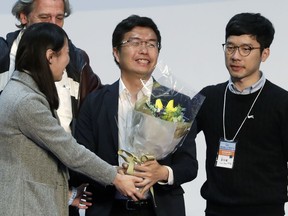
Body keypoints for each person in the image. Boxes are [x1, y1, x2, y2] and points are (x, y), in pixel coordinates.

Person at [0, 22, 144, 216]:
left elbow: (31, 165)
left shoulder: (20, 91)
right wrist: (115, 177)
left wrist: (68, 194)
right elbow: (70, 151)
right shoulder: (27, 101)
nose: (69, 61)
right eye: (67, 53)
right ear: (50, 56)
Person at [73, 15, 198, 216]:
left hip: (160, 209)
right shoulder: (95, 103)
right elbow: (79, 162)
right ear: (116, 52)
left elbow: (189, 165)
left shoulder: (176, 103)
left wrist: (162, 173)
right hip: (110, 208)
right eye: (135, 42)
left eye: (151, 44)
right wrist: (113, 174)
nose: (144, 50)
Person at [196, 12, 288, 216]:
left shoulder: (282, 102)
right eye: (230, 47)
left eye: (246, 49)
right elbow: (171, 136)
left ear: (265, 53)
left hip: (266, 211)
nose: (235, 56)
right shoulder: (208, 96)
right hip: (215, 210)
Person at [0, 0, 102, 133]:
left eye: (59, 18)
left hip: (67, 151)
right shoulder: (3, 55)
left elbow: (97, 112)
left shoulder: (78, 60)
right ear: (24, 17)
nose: (53, 24)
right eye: (44, 17)